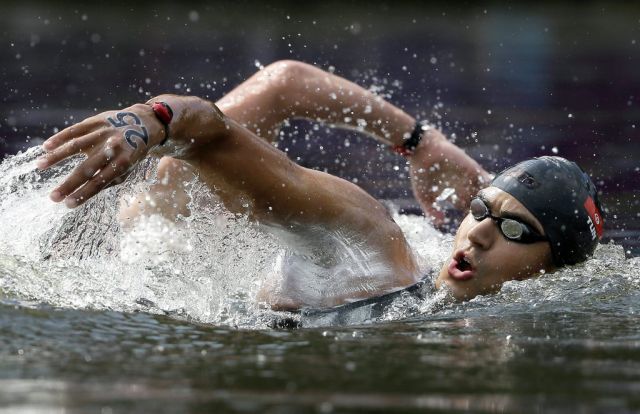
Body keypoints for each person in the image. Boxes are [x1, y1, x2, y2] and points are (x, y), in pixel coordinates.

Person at [35, 60, 604, 312]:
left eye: (513, 229)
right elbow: (211, 124)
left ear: (552, 269)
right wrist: (152, 118)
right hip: (85, 254)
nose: (478, 234)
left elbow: (285, 83)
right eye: (481, 208)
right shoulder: (374, 246)